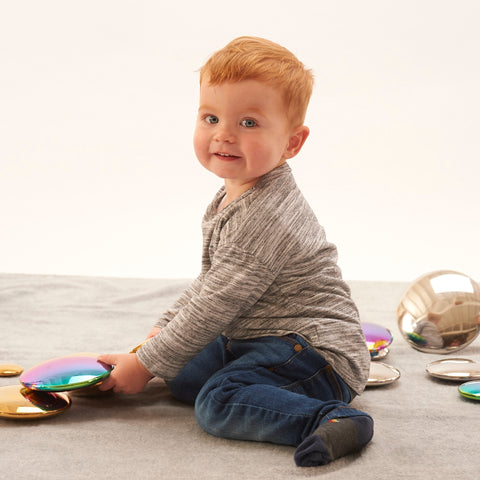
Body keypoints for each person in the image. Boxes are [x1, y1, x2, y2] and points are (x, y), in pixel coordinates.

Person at [98, 36, 373, 467]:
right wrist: (156, 341)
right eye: (211, 117)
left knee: (217, 403)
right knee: (181, 371)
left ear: (291, 144)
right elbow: (211, 283)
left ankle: (332, 418)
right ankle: (198, 365)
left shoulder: (266, 215)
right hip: (261, 337)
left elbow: (215, 303)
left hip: (316, 353)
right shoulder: (233, 194)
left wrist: (146, 364)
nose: (223, 134)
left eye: (248, 123)